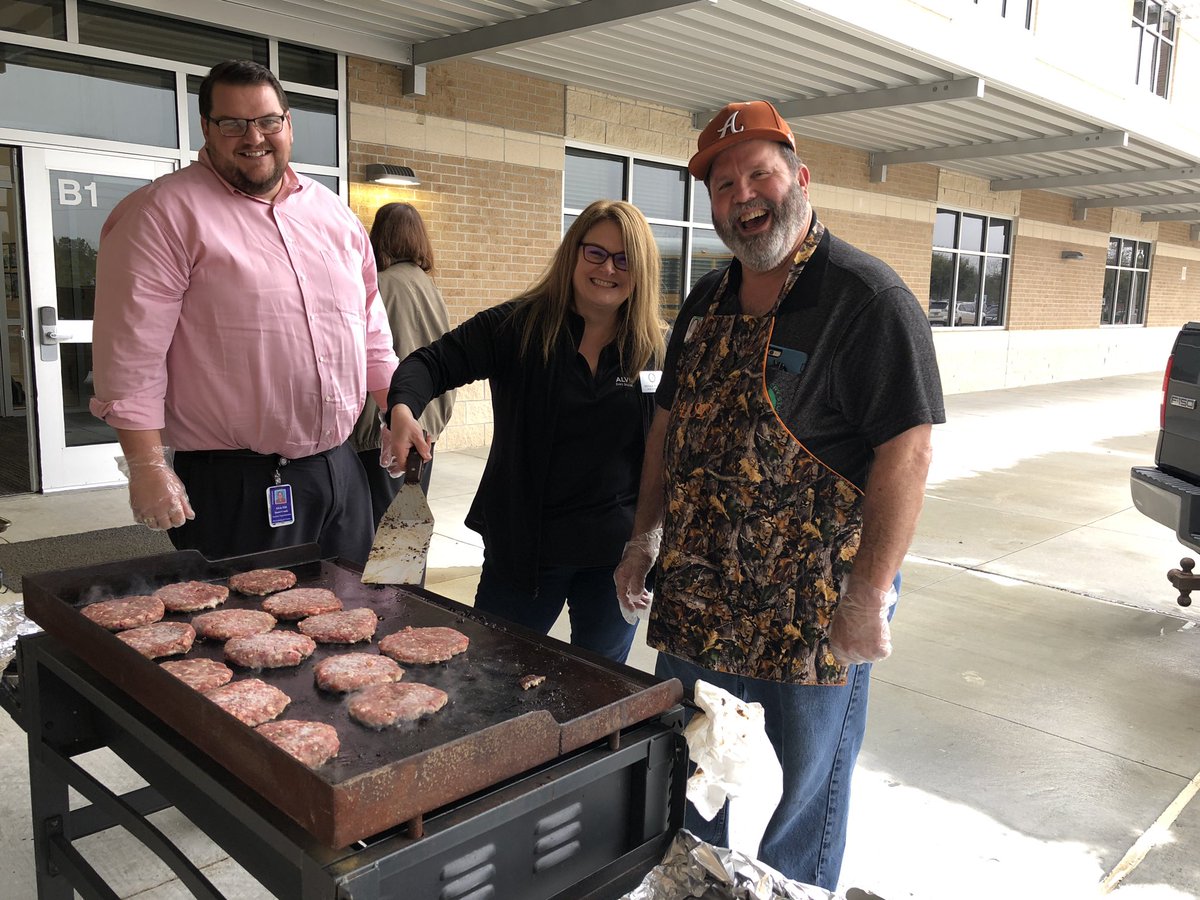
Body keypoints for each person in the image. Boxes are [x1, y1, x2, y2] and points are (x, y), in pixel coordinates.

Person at [615, 101, 945, 890]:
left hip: (810, 611)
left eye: (758, 173)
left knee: (799, 800)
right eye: (723, 184)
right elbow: (667, 428)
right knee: (690, 770)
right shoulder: (706, 300)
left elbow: (910, 448)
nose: (742, 195)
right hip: (699, 594)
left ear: (799, 177)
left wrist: (868, 594)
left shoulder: (866, 299)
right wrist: (643, 538)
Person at [90, 59, 397, 566]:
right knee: (250, 637)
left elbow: (369, 328)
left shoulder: (333, 214)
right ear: (207, 129)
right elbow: (131, 358)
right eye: (232, 123)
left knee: (355, 621)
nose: (253, 136)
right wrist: (146, 466)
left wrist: (396, 407)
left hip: (340, 469)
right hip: (235, 482)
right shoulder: (161, 215)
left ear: (288, 124)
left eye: (267, 120)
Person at [384, 199, 665, 664]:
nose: (608, 269)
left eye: (624, 259)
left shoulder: (656, 347)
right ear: (573, 254)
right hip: (525, 552)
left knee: (601, 687)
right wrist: (402, 409)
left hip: (616, 559)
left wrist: (651, 539)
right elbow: (427, 364)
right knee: (493, 675)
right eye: (595, 253)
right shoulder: (518, 328)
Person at [351, 202, 454, 526]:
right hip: (424, 423)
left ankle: (391, 581)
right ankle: (408, 580)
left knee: (380, 531)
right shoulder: (429, 287)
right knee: (407, 526)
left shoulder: (378, 285)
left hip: (383, 428)